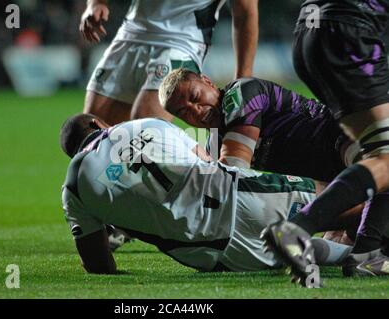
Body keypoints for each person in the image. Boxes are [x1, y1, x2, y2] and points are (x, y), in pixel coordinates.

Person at [60, 113, 360, 275]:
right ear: (96, 123)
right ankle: (373, 229)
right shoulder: (146, 123)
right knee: (338, 199)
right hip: (238, 197)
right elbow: (206, 160)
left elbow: (99, 265)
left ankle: (357, 258)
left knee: (297, 251)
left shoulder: (73, 188)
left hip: (216, 255)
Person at [264, 0, 389, 279]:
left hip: (310, 30)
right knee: (386, 157)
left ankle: (366, 255)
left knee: (379, 154)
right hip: (350, 30)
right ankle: (298, 229)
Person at [158, 69, 361, 183]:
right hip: (330, 178)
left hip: (343, 134)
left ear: (208, 82)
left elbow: (233, 169)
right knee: (334, 242)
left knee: (369, 172)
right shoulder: (214, 142)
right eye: (184, 112)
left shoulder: (241, 93)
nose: (197, 110)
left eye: (196, 97)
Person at [79, 0, 259, 125]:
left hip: (181, 42)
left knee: (143, 135)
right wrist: (96, 3)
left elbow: (245, 12)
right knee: (91, 138)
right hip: (130, 34)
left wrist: (242, 81)